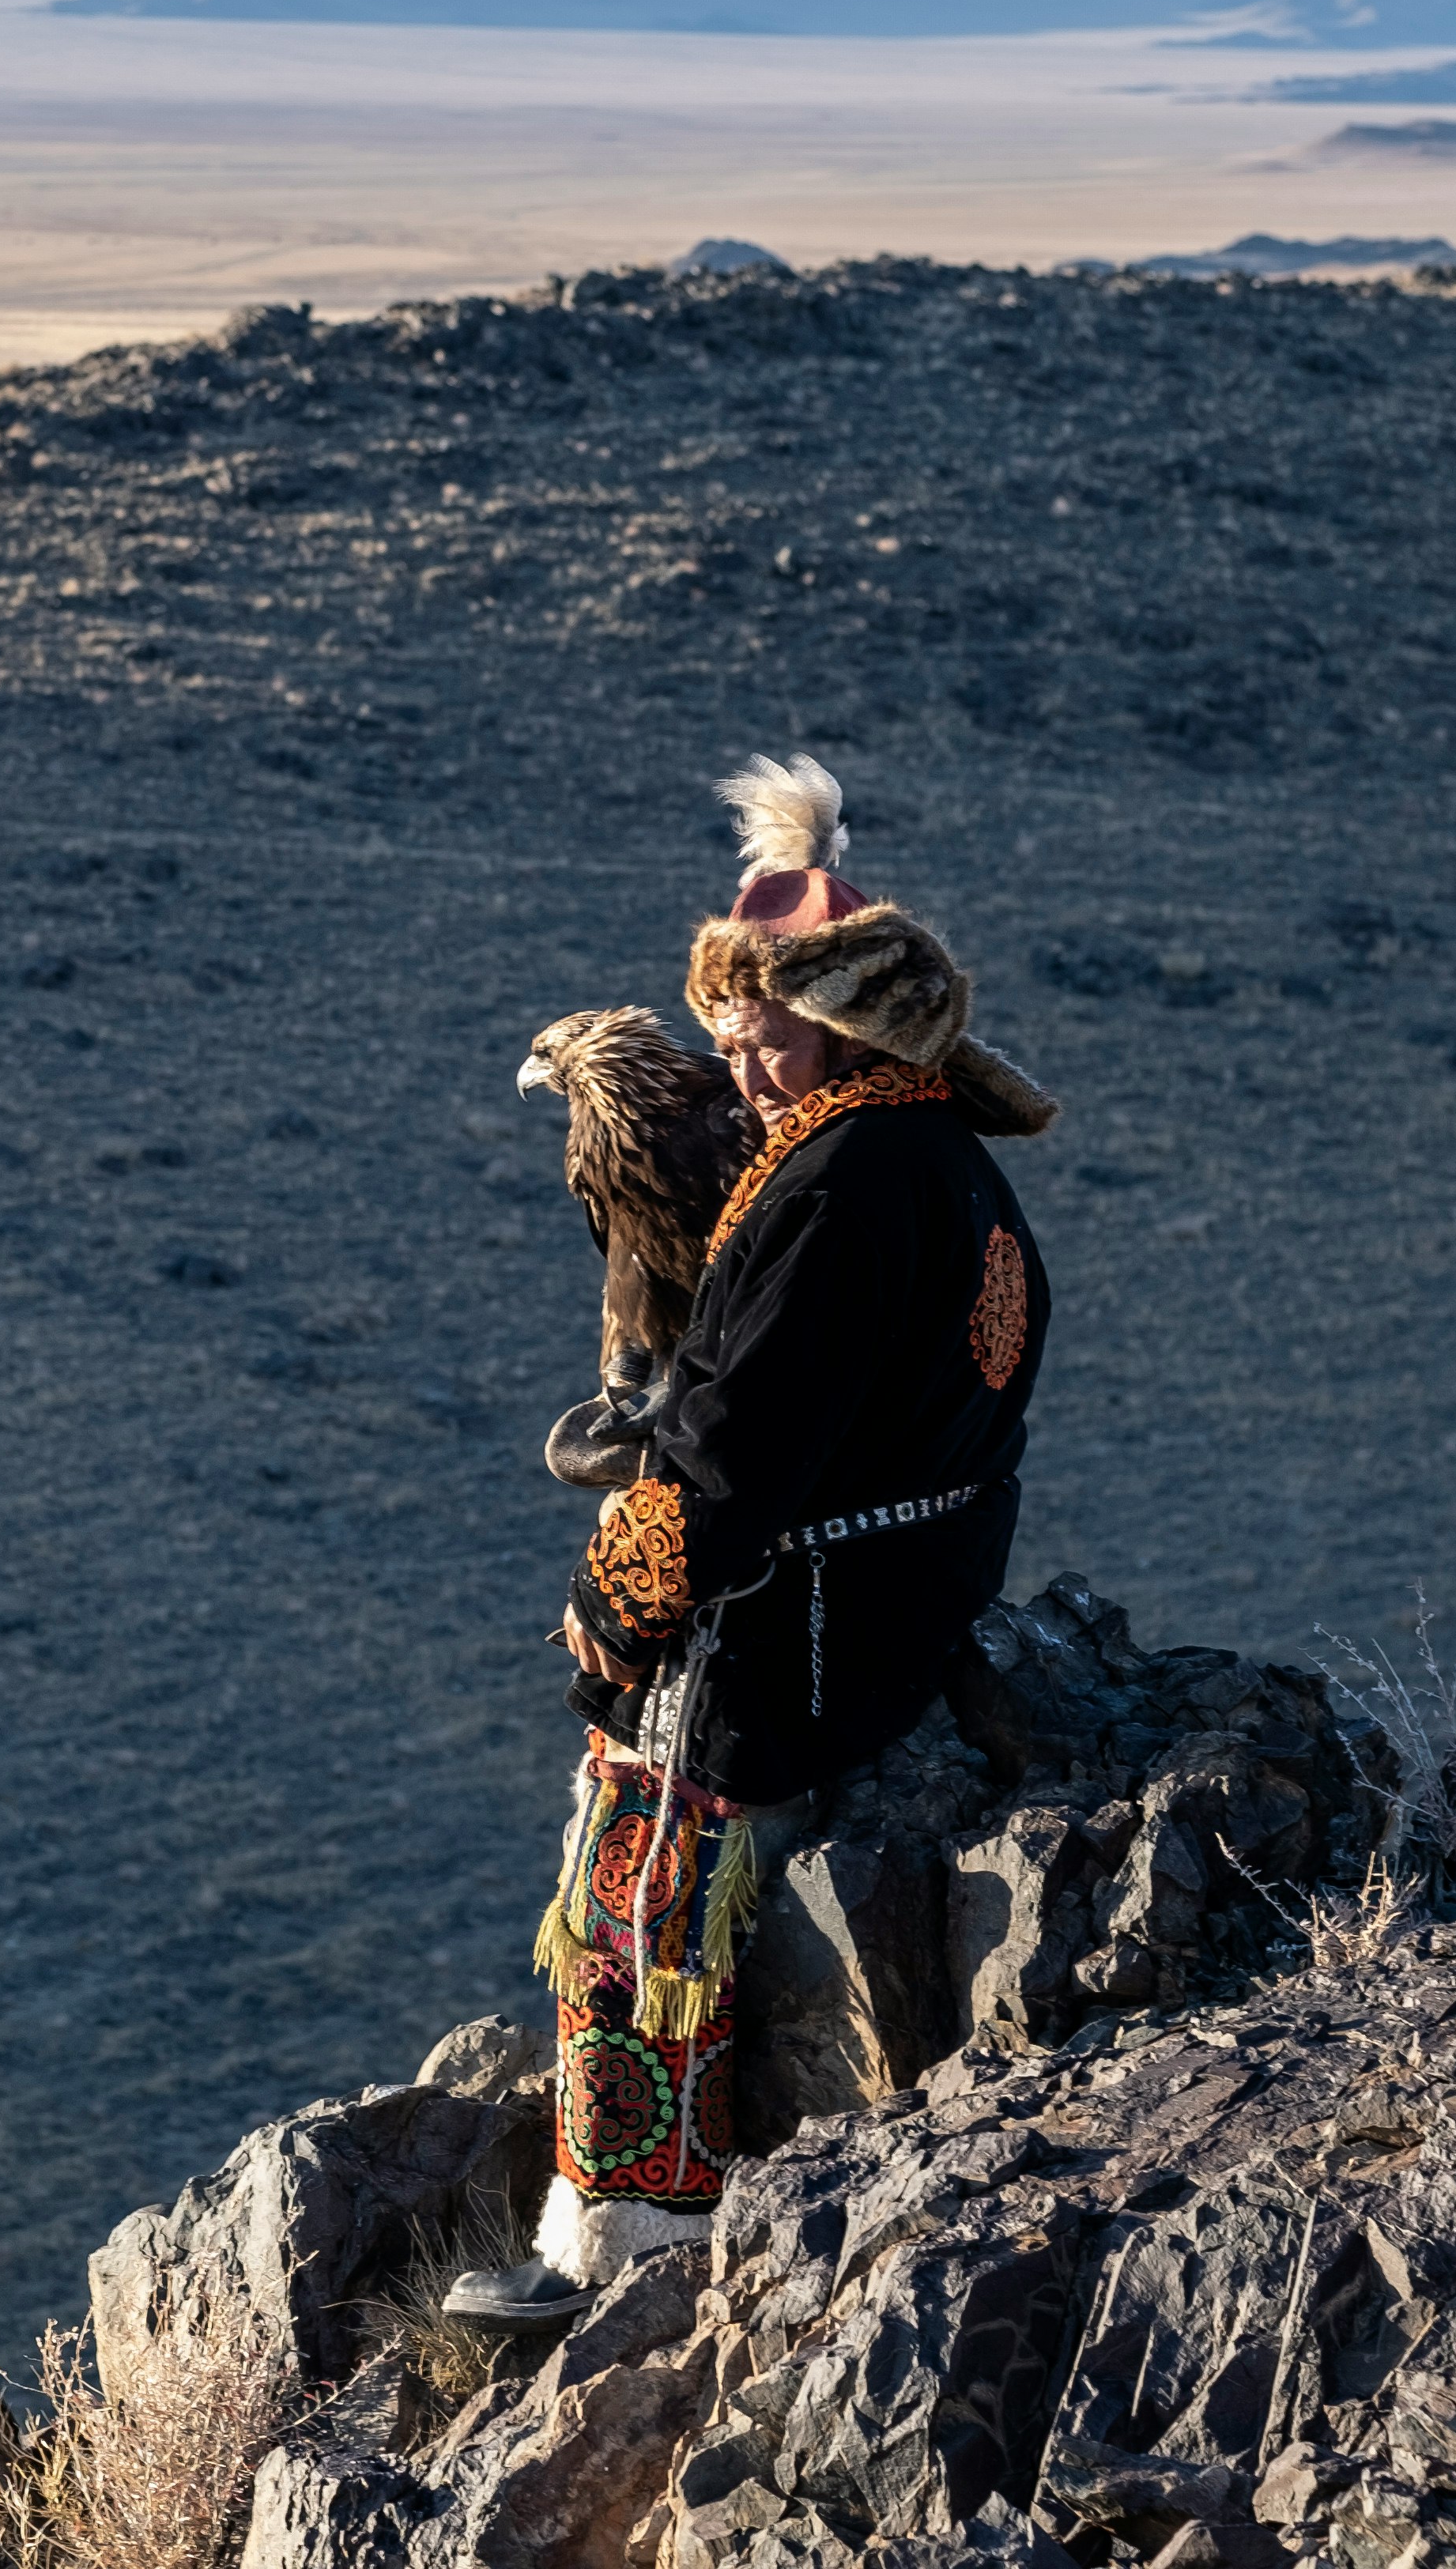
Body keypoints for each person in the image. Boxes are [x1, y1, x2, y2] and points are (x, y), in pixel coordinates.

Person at [496, 754, 1060, 2300]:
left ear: (849, 1020)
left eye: (767, 1041)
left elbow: (738, 1461)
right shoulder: (927, 1149)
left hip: (810, 1629)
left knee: (637, 1858)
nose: (742, 1073)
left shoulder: (844, 1188)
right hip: (910, 1594)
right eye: (729, 1044)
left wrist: (617, 1606)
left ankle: (636, 2230)